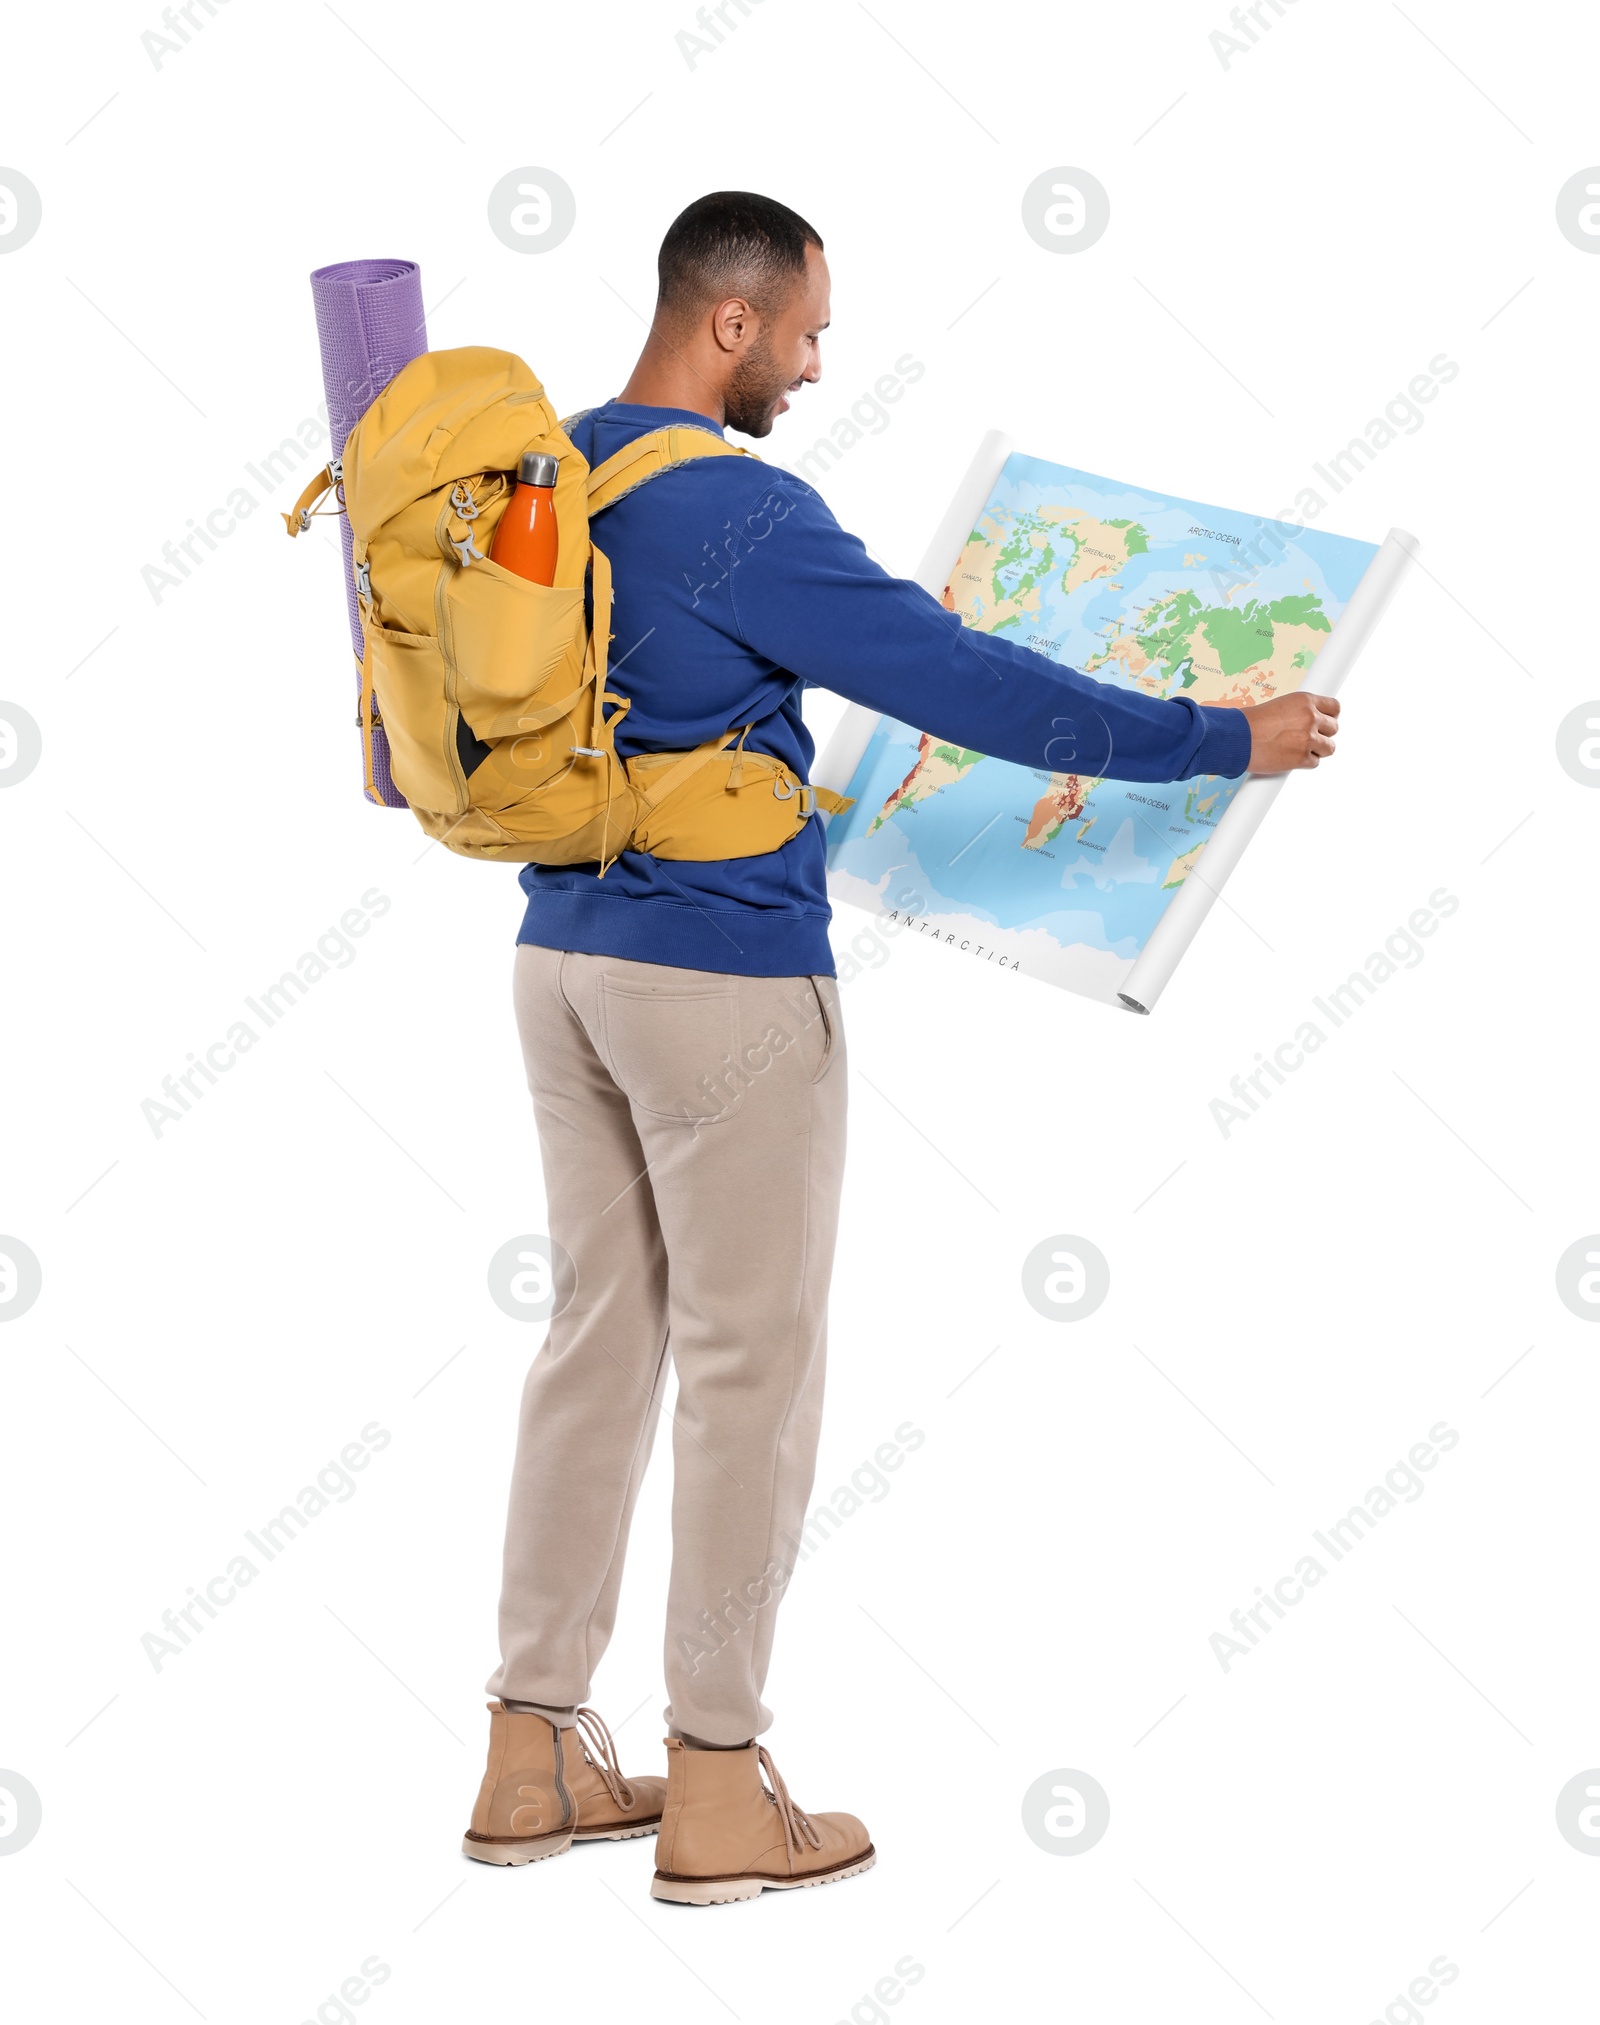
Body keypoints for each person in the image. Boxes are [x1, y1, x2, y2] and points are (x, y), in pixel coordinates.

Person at [462, 191, 1339, 1904]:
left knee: (594, 1343)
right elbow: (966, 680)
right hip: (720, 980)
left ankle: (532, 1751)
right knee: (749, 1370)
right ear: (731, 320)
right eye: (803, 329)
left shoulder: (541, 473)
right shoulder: (736, 504)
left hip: (559, 960)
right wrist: (1218, 733)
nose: (811, 360)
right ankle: (718, 1787)